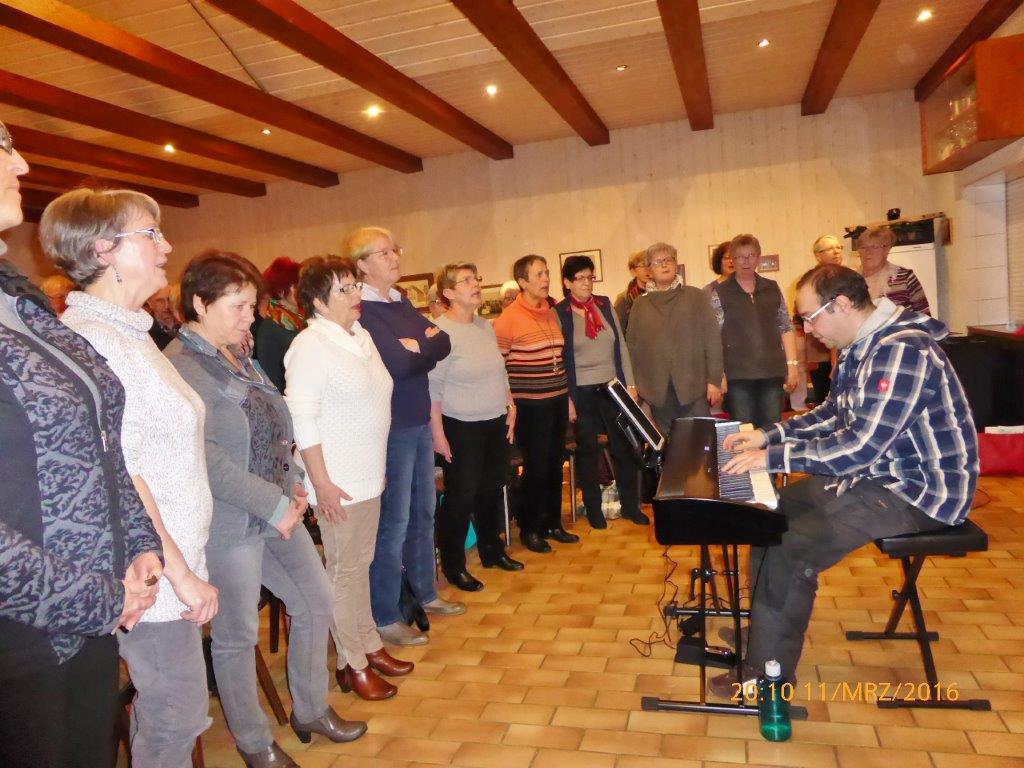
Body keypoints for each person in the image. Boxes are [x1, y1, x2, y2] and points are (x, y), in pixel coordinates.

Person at [713, 263, 977, 694]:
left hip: (919, 491)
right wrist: (767, 435)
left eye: (809, 317)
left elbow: (859, 447)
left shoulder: (901, 351)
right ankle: (763, 636)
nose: (806, 330)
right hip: (879, 474)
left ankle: (766, 675)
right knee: (767, 517)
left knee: (792, 548)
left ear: (841, 305)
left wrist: (772, 457)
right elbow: (833, 414)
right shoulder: (861, 345)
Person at [0, 119, 162, 768]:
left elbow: (100, 440)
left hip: (85, 619)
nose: (23, 165)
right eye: (4, 147)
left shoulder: (20, 301)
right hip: (22, 637)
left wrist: (138, 543)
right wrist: (99, 597)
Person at [40, 188, 219, 768]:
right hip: (151, 567)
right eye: (151, 233)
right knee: (176, 717)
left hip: (172, 554)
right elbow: (123, 469)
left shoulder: (129, 333)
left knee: (173, 713)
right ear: (104, 250)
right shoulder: (96, 340)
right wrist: (180, 572)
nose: (166, 245)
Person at [166, 251, 365, 768]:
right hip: (229, 522)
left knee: (316, 600)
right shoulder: (181, 366)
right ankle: (255, 744)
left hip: (277, 509)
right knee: (236, 636)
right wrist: (274, 502)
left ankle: (311, 709)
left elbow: (275, 426)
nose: (249, 317)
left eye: (252, 305)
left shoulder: (238, 354)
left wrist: (295, 482)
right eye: (238, 306)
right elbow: (206, 459)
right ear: (199, 304)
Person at [284, 256, 412, 701]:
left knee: (360, 566)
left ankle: (368, 644)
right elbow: (302, 417)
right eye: (345, 289)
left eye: (356, 285)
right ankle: (351, 663)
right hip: (336, 481)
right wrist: (321, 483)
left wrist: (376, 469)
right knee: (343, 572)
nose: (357, 294)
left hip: (367, 475)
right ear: (318, 302)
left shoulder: (361, 336)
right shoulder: (310, 345)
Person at [347, 226, 463, 648]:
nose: (394, 257)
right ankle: (386, 614)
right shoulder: (363, 310)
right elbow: (396, 363)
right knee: (393, 523)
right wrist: (416, 348)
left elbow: (443, 342)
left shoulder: (400, 301)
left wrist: (419, 347)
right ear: (362, 264)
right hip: (391, 427)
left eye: (394, 249)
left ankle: (425, 593)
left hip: (417, 418)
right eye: (383, 253)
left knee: (424, 513)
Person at [429, 262, 523, 591]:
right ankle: (454, 565)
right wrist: (438, 434)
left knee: (491, 489)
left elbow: (500, 372)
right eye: (466, 281)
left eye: (476, 279)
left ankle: (492, 550)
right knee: (461, 496)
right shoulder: (439, 332)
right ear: (448, 292)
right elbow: (433, 389)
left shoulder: (485, 327)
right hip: (460, 426)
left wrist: (510, 405)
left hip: (494, 421)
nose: (476, 285)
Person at [493, 254, 579, 553]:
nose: (546, 279)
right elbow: (498, 368)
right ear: (522, 281)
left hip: (556, 399)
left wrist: (567, 398)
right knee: (536, 467)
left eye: (547, 273)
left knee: (555, 463)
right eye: (539, 274)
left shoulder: (551, 312)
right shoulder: (508, 319)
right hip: (530, 406)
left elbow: (560, 360)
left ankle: (552, 523)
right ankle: (530, 528)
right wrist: (509, 406)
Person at [556, 255, 647, 529]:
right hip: (581, 391)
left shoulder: (605, 305)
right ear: (567, 283)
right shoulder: (560, 312)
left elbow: (621, 346)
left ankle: (631, 506)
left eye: (590, 277)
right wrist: (568, 398)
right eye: (580, 278)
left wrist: (630, 384)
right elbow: (560, 360)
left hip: (612, 388)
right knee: (588, 451)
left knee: (624, 448)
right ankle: (593, 509)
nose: (586, 283)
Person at [626, 242, 723, 434]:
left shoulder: (695, 296)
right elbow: (632, 348)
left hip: (694, 386)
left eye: (668, 259)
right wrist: (635, 385)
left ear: (676, 264)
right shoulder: (640, 305)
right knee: (670, 443)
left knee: (701, 439)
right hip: (657, 391)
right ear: (649, 270)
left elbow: (712, 340)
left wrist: (714, 380)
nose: (664, 265)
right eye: (657, 262)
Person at [709, 234, 798, 429]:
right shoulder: (720, 293)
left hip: (772, 372)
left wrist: (792, 365)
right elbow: (713, 337)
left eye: (750, 256)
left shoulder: (772, 288)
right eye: (740, 257)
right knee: (744, 429)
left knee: (771, 429)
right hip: (737, 376)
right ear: (732, 260)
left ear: (758, 257)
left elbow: (786, 326)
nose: (746, 261)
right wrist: (718, 374)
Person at [254, 256, 305, 393]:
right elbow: (272, 376)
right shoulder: (271, 326)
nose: (302, 289)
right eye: (296, 285)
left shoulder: (300, 318)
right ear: (280, 291)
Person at [856, 226, 930, 315]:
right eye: (863, 247)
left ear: (887, 250)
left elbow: (925, 315)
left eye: (875, 247)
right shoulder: (850, 281)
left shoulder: (905, 277)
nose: (868, 252)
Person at [806, 235, 844, 403]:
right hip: (821, 350)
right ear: (818, 255)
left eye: (838, 247)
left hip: (847, 346)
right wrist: (810, 357)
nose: (836, 251)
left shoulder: (850, 277)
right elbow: (804, 319)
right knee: (825, 399)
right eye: (830, 248)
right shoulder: (811, 281)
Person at [613, 249, 651, 331]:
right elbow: (619, 330)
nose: (647, 269)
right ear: (633, 271)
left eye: (649, 264)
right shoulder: (624, 298)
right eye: (642, 265)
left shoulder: (661, 292)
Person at [145, 284, 179, 350]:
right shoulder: (147, 334)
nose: (167, 306)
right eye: (160, 301)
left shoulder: (187, 322)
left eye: (169, 299)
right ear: (150, 303)